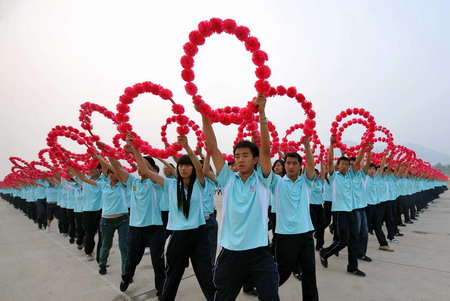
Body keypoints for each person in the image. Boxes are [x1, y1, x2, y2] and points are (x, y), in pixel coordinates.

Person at [200, 94, 280, 300]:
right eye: (237, 156)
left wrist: (262, 113)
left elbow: (265, 149)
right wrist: (203, 114)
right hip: (231, 251)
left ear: (255, 160)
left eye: (245, 155)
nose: (240, 159)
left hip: (259, 251)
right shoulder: (227, 179)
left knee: (271, 296)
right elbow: (213, 145)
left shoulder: (263, 180)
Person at [133, 135, 216, 301]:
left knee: (206, 274)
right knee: (173, 275)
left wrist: (187, 148)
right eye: (181, 166)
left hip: (199, 235)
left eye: (187, 165)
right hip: (179, 236)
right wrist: (135, 149)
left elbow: (200, 168)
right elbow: (146, 171)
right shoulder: (170, 185)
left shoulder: (200, 184)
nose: (183, 168)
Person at [108, 146, 166, 296]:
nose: (140, 167)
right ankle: (126, 278)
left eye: (144, 165)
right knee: (132, 259)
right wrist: (107, 152)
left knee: (157, 261)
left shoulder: (157, 183)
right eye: (140, 164)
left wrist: (135, 150)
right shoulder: (133, 181)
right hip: (135, 228)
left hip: (155, 229)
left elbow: (145, 169)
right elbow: (117, 167)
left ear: (152, 169)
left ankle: (161, 289)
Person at [272, 138, 319, 301]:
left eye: (294, 163)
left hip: (305, 233)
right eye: (288, 163)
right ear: (284, 165)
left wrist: (307, 147)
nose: (291, 166)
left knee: (309, 273)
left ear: (300, 166)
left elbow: (311, 167)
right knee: (282, 272)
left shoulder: (306, 182)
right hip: (286, 235)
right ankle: (266, 293)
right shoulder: (277, 182)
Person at [71, 156, 129, 275]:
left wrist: (101, 155)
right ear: (107, 175)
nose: (112, 175)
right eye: (109, 173)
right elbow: (82, 177)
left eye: (114, 173)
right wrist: (68, 160)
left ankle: (126, 272)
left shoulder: (123, 185)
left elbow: (115, 169)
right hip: (107, 220)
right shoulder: (103, 185)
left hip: (123, 220)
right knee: (106, 245)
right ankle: (102, 264)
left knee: (124, 247)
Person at [320, 136, 366, 277]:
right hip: (340, 212)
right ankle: (325, 253)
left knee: (354, 240)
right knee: (343, 240)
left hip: (351, 211)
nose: (345, 166)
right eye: (342, 164)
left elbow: (357, 162)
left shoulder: (351, 176)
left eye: (347, 164)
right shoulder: (334, 176)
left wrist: (364, 147)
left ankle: (352, 267)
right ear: (338, 166)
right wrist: (331, 145)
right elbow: (329, 161)